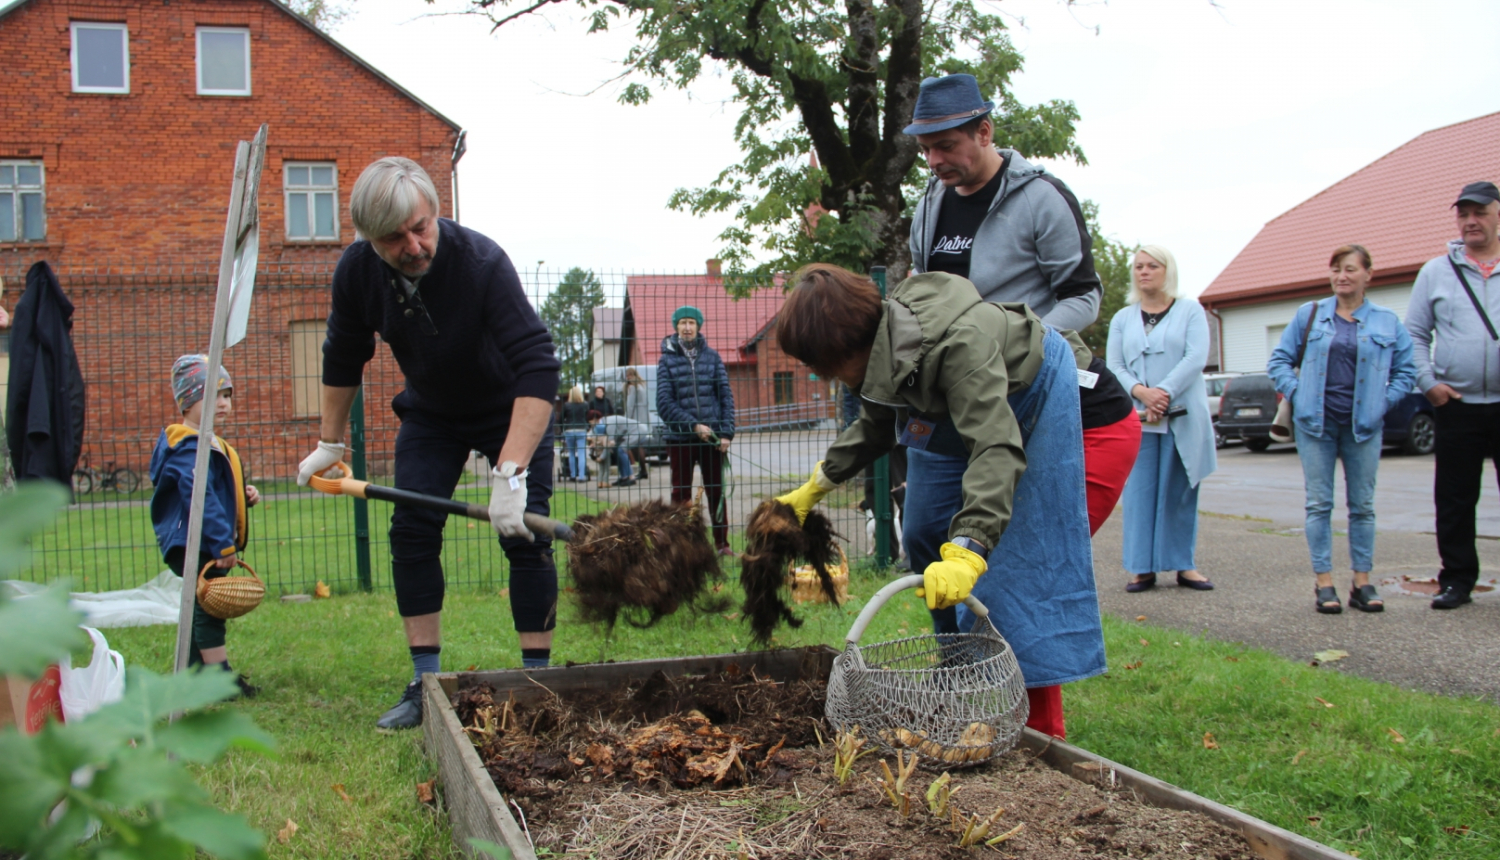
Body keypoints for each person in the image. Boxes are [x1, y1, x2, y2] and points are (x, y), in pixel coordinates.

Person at [775, 265, 1105, 741]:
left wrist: (970, 547)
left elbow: (995, 447)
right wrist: (816, 486)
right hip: (954, 410)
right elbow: (874, 424)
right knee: (923, 530)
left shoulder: (959, 344)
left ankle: (1038, 727)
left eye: (820, 363)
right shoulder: (883, 352)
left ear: (849, 343)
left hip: (1029, 394)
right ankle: (955, 658)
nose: (818, 373)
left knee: (1016, 562)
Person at [296, 157, 561, 729]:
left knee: (526, 534)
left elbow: (538, 366)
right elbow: (343, 355)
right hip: (432, 414)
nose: (414, 246)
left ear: (435, 213)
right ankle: (424, 683)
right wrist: (330, 443)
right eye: (394, 238)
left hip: (507, 408)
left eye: (422, 227)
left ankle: (538, 683)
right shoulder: (357, 274)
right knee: (411, 530)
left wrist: (511, 473)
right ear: (369, 240)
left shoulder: (481, 264)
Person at [905, 72, 1141, 539]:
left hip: (1019, 392)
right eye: (926, 150)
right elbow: (922, 286)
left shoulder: (1041, 198)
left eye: (946, 146)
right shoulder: (930, 202)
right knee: (923, 535)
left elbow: (1084, 297)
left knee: (1003, 546)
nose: (934, 160)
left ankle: (990, 617)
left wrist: (1018, 343)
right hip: (949, 394)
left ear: (984, 132)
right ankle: (950, 615)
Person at [1268, 245, 1416, 614]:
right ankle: (1324, 583)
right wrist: (1299, 393)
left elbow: (1407, 371)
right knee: (1319, 504)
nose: (1341, 276)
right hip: (1315, 425)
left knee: (1362, 506)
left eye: (1350, 269)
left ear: (1368, 274)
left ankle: (1362, 583)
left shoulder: (1386, 321)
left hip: (1363, 427)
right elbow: (1280, 360)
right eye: (1336, 269)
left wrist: (1383, 402)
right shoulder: (1310, 315)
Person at [1406, 181, 1500, 610]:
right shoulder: (1436, 272)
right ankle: (1457, 581)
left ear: (1497, 215)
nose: (1470, 221)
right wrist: (1429, 384)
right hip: (1457, 405)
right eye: (1463, 214)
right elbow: (1415, 334)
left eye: (1479, 212)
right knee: (1456, 499)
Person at [1106, 246, 1217, 593]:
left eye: (1152, 265)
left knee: (1180, 491)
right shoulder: (1123, 318)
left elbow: (1195, 357)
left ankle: (1183, 564)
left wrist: (1162, 392)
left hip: (1182, 415)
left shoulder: (1190, 311)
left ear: (1167, 270)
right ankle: (1141, 568)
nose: (1144, 272)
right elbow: (1115, 365)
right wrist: (1141, 392)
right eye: (1139, 266)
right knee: (1139, 493)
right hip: (1141, 418)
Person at [149, 355, 261, 697]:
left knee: (198, 603)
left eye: (227, 395)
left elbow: (217, 489)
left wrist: (243, 495)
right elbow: (200, 496)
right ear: (188, 401)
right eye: (214, 395)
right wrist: (222, 544)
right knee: (210, 607)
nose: (224, 403)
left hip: (206, 539)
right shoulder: (188, 447)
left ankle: (195, 672)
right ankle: (218, 678)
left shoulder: (208, 442)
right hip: (197, 541)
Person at [656, 305, 736, 555]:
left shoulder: (712, 357)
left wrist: (725, 433)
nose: (687, 327)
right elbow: (664, 403)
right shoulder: (666, 360)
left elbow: (725, 396)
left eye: (691, 322)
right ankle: (681, 546)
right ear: (676, 327)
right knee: (681, 494)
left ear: (698, 326)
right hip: (680, 439)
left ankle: (722, 545)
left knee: (716, 492)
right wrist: (692, 426)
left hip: (712, 439)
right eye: (683, 323)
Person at [588, 411, 650, 487]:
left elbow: (609, 444)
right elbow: (592, 434)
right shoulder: (602, 423)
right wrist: (592, 441)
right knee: (617, 450)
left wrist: (601, 457)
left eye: (590, 422)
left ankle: (631, 478)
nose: (590, 424)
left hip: (637, 431)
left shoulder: (609, 424)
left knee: (621, 450)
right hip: (629, 433)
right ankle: (624, 477)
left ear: (595, 419)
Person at [622, 367, 651, 479]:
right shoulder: (641, 386)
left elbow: (630, 406)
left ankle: (643, 470)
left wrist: (626, 420)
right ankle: (643, 470)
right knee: (640, 445)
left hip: (635, 419)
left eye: (629, 375)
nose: (628, 378)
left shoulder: (632, 388)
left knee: (635, 445)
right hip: (643, 418)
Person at [559, 385, 590, 483]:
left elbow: (560, 419)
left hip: (569, 430)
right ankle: (581, 476)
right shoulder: (585, 404)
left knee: (571, 453)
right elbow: (587, 417)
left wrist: (562, 429)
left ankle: (572, 475)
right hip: (581, 429)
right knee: (581, 453)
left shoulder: (567, 405)